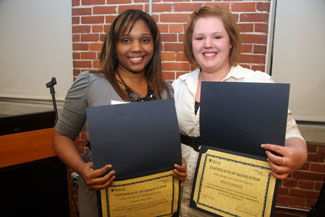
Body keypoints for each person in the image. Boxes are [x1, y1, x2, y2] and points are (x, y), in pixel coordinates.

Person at [172, 5, 308, 217]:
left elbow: (291, 136)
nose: (208, 44)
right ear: (191, 44)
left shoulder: (259, 83)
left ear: (231, 40)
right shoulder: (177, 86)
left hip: (231, 204)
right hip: (180, 203)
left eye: (217, 36)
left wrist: (295, 157)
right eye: (199, 38)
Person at [53, 9, 186, 217]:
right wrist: (82, 169)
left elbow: (165, 144)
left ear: (154, 45)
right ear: (113, 46)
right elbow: (61, 137)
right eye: (126, 40)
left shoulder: (165, 89)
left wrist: (179, 165)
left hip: (154, 200)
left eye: (144, 39)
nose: (136, 48)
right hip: (104, 200)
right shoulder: (90, 83)